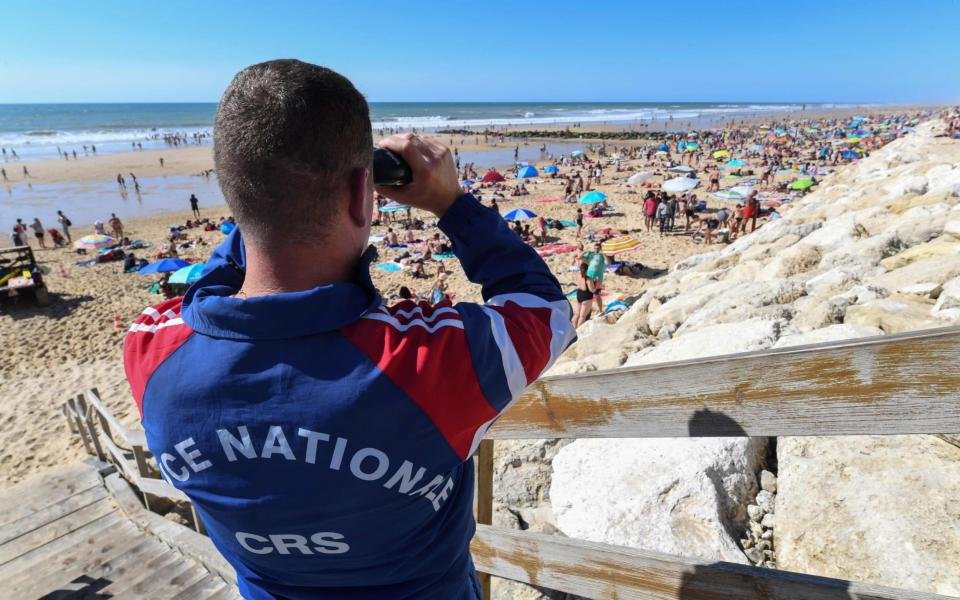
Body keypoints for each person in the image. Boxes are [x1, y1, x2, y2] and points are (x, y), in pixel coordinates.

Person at [123, 60, 575, 600]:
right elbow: (545, 310)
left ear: (233, 194)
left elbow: (212, 286)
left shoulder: (151, 349)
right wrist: (453, 204)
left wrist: (260, 206)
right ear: (365, 191)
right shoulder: (432, 361)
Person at [573, 262, 595, 327]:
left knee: (577, 315)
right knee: (582, 316)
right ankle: (578, 331)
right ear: (587, 269)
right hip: (586, 297)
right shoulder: (588, 279)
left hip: (579, 295)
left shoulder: (578, 276)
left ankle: (573, 328)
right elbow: (592, 290)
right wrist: (596, 286)